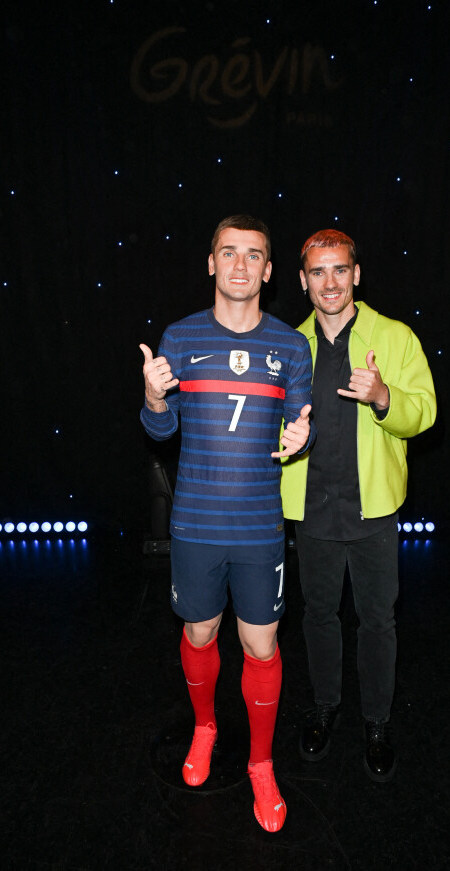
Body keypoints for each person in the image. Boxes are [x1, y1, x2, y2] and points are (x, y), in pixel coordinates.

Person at [139, 215, 313, 831]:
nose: (241, 266)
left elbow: (300, 421)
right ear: (211, 263)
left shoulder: (292, 346)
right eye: (229, 254)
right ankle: (205, 729)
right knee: (199, 635)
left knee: (260, 644)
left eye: (254, 256)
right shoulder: (180, 339)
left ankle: (261, 764)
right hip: (195, 525)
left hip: (259, 526)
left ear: (269, 271)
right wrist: (156, 398)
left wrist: (302, 433)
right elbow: (161, 431)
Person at [280, 229, 436, 782]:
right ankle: (325, 706)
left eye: (340, 269)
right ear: (302, 281)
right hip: (314, 508)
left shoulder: (394, 337)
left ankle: (376, 721)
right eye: (318, 272)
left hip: (373, 511)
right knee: (318, 615)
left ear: (356, 274)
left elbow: (425, 412)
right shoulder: (289, 345)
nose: (330, 282)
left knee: (377, 620)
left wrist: (383, 396)